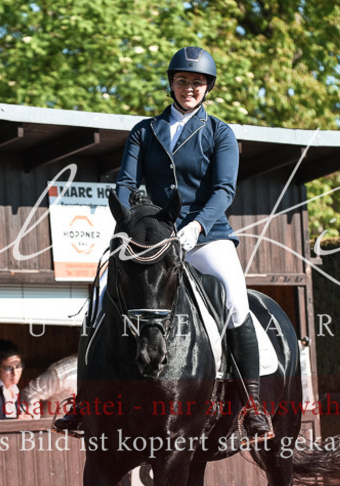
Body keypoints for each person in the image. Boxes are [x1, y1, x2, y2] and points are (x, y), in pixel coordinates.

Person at [53, 46, 273, 440]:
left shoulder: (219, 132)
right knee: (102, 295)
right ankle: (83, 404)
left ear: (208, 88)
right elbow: (125, 182)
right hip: (153, 236)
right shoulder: (144, 130)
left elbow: (223, 190)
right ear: (171, 84)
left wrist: (198, 226)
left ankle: (253, 406)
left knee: (237, 300)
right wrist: (132, 218)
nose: (190, 88)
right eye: (183, 81)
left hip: (206, 235)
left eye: (198, 83)